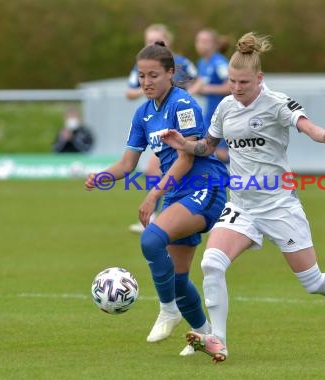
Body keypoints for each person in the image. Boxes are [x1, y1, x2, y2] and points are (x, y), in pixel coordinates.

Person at [161, 32, 325, 363]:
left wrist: (323, 135)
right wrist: (183, 144)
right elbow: (207, 146)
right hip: (241, 205)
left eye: (244, 82)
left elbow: (305, 125)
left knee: (313, 282)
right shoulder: (225, 107)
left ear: (259, 78)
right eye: (232, 81)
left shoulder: (277, 103)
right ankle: (218, 340)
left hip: (279, 205)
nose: (236, 88)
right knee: (211, 264)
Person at [85, 41, 228, 356]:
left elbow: (187, 158)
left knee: (151, 240)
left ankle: (168, 310)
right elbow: (127, 164)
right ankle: (206, 337)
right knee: (178, 281)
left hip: (206, 187)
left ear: (170, 74)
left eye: (153, 75)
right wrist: (101, 176)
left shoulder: (184, 104)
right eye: (141, 76)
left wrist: (152, 195)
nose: (146, 82)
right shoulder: (143, 113)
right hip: (178, 191)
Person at [126, 24, 199, 234]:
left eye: (156, 39)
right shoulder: (142, 69)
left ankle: (179, 212)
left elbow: (199, 80)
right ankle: (166, 214)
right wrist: (149, 86)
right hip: (158, 120)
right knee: (159, 168)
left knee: (190, 162)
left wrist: (185, 92)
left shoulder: (182, 65)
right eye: (147, 40)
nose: (151, 44)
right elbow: (129, 92)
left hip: (181, 123)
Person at [188, 28, 232, 165]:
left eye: (205, 41)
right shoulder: (202, 62)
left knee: (217, 152)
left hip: (224, 114)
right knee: (208, 149)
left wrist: (205, 89)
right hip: (210, 114)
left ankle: (249, 167)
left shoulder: (219, 62)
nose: (201, 44)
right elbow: (199, 85)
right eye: (198, 41)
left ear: (215, 44)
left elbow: (231, 87)